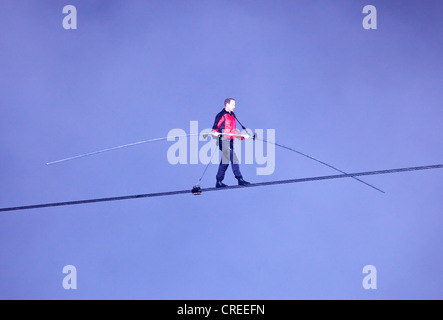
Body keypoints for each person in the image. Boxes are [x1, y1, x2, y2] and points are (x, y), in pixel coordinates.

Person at [211, 98, 251, 188]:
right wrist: (215, 132)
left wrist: (243, 136)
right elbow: (214, 128)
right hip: (223, 139)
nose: (234, 106)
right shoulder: (221, 115)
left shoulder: (232, 116)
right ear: (227, 104)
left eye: (234, 105)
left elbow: (233, 131)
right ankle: (240, 179)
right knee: (234, 158)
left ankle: (219, 181)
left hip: (230, 141)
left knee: (225, 161)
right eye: (232, 105)